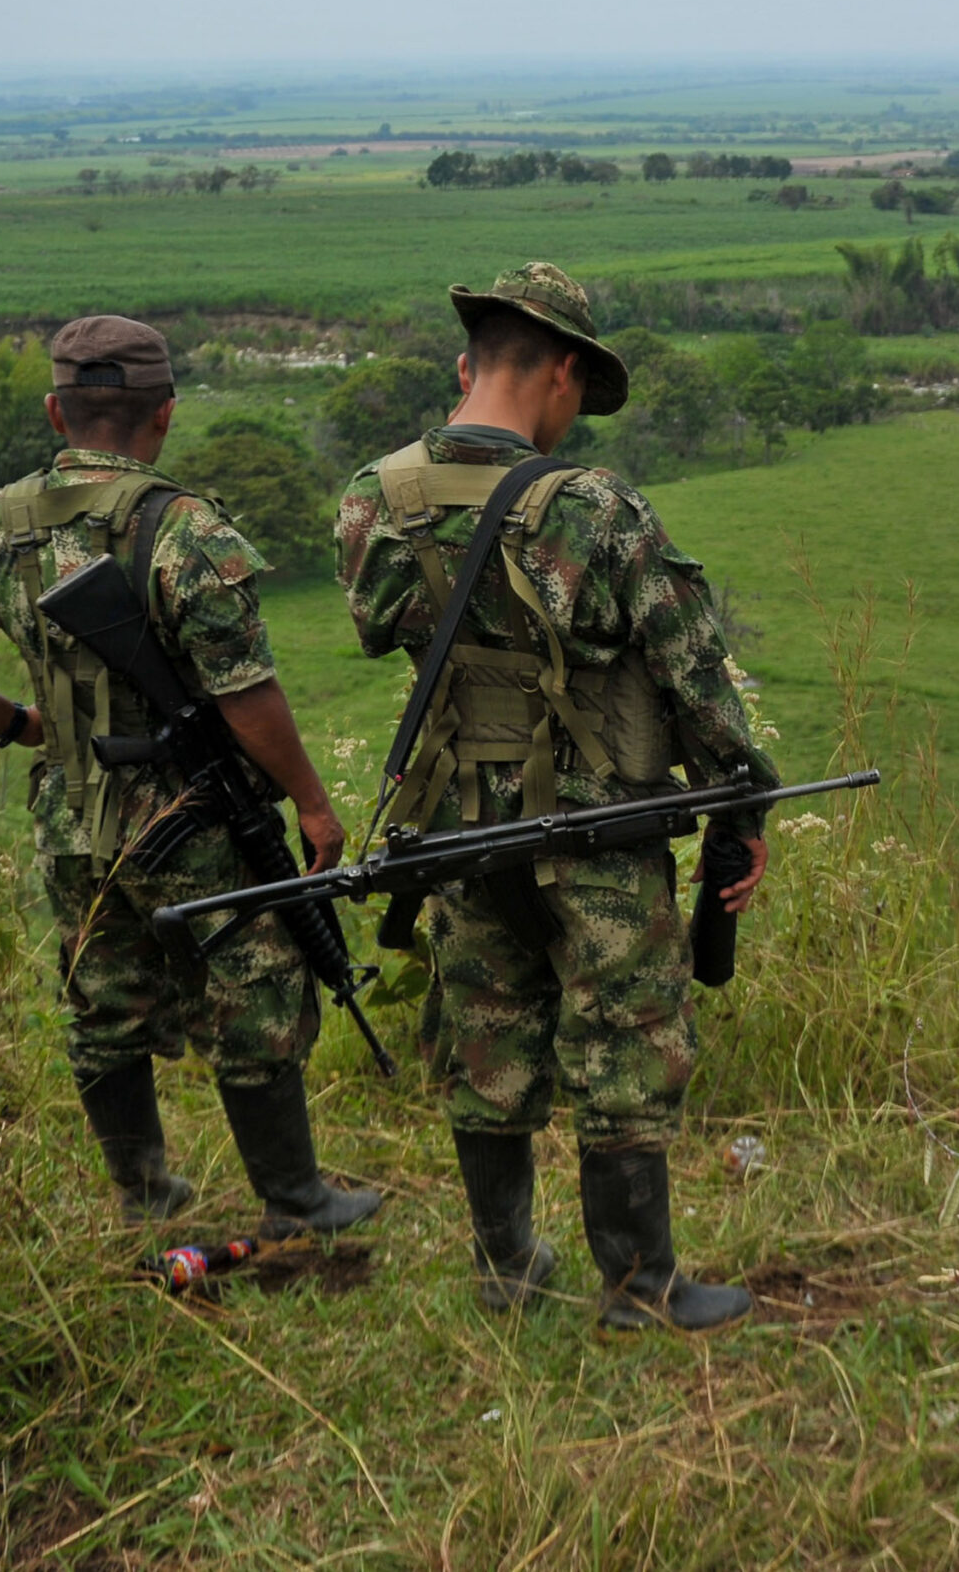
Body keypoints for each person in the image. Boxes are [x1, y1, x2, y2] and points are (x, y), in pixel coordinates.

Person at [335, 263, 776, 1331]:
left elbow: (388, 633)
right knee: (623, 1039)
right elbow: (697, 681)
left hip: (455, 827)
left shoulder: (371, 501)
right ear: (564, 373)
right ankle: (637, 1286)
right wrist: (741, 804)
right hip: (597, 826)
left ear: (465, 365)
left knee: (486, 1033)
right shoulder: (596, 511)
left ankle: (506, 1269)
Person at [0, 314, 377, 1239]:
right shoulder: (184, 527)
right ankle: (295, 1198)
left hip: (71, 809)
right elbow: (247, 695)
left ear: (54, 410)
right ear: (164, 416)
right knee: (257, 981)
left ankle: (144, 1198)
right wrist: (312, 802)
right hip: (189, 810)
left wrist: (21, 724)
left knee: (101, 997)